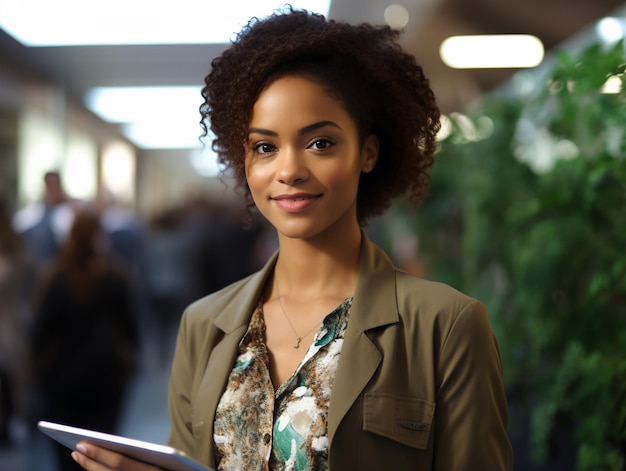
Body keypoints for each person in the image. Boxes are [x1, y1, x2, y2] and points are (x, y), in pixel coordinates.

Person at [72, 7, 513, 470]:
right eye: (265, 147)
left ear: (367, 152)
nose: (289, 170)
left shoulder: (447, 327)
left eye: (320, 142)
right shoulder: (204, 326)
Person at [31, 207, 139, 470]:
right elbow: (131, 331)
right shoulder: (115, 277)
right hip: (106, 377)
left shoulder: (55, 278)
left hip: (62, 378)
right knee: (100, 452)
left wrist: (41, 373)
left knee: (66, 453)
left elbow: (40, 334)